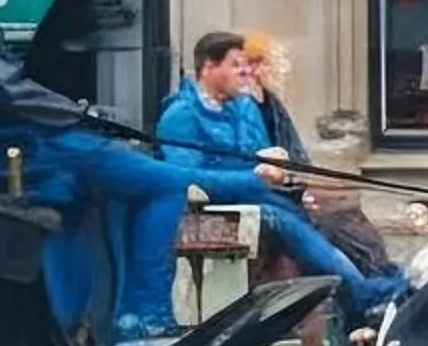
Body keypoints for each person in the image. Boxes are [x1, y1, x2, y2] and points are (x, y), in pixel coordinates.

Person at [0, 0, 327, 346]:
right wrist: (80, 117)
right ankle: (143, 318)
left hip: (13, 151)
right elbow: (8, 90)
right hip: (37, 150)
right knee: (163, 182)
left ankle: (87, 330)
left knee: (110, 203)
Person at [151, 33, 403, 319]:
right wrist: (254, 176)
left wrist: (277, 166)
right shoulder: (181, 115)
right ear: (208, 68)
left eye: (246, 64)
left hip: (260, 194)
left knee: (336, 218)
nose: (245, 72)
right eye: (236, 65)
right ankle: (363, 293)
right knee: (284, 219)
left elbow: (262, 156)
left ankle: (373, 289)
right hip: (212, 206)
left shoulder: (244, 107)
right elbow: (187, 179)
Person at [244, 31, 395, 274]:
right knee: (337, 227)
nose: (285, 70)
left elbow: (297, 159)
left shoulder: (273, 106)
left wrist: (302, 186)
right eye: (277, 62)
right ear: (255, 67)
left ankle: (381, 276)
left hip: (291, 194)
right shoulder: (244, 110)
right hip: (272, 201)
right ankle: (368, 285)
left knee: (350, 219)